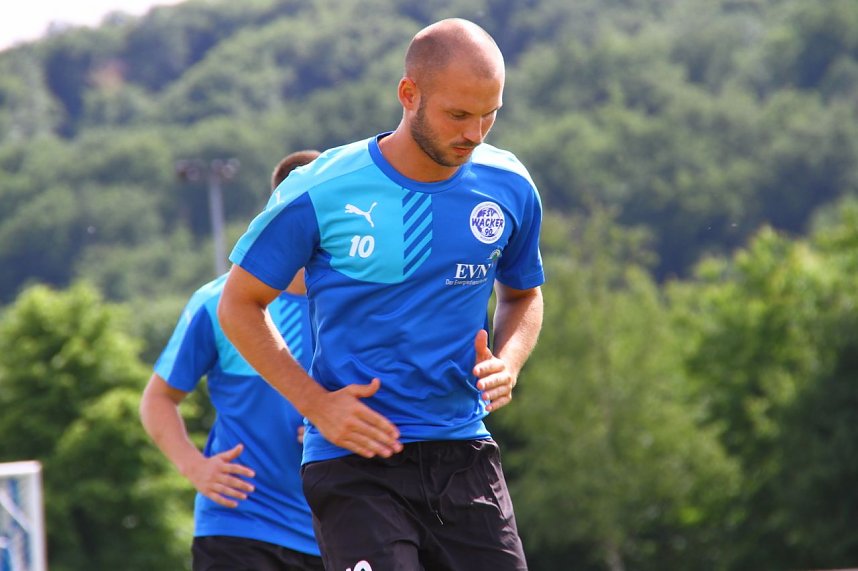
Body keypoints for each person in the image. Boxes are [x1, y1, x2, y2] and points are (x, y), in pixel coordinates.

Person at [219, 18, 544, 571]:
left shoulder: (509, 184)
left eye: (490, 114)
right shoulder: (321, 189)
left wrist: (509, 363)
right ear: (409, 95)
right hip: (354, 463)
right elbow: (238, 304)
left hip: (463, 451)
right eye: (459, 115)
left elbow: (523, 295)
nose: (475, 132)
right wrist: (316, 404)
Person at [139, 150, 325, 571]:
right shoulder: (219, 303)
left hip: (340, 525)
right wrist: (193, 467)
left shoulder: (360, 308)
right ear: (279, 211)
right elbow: (157, 400)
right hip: (240, 527)